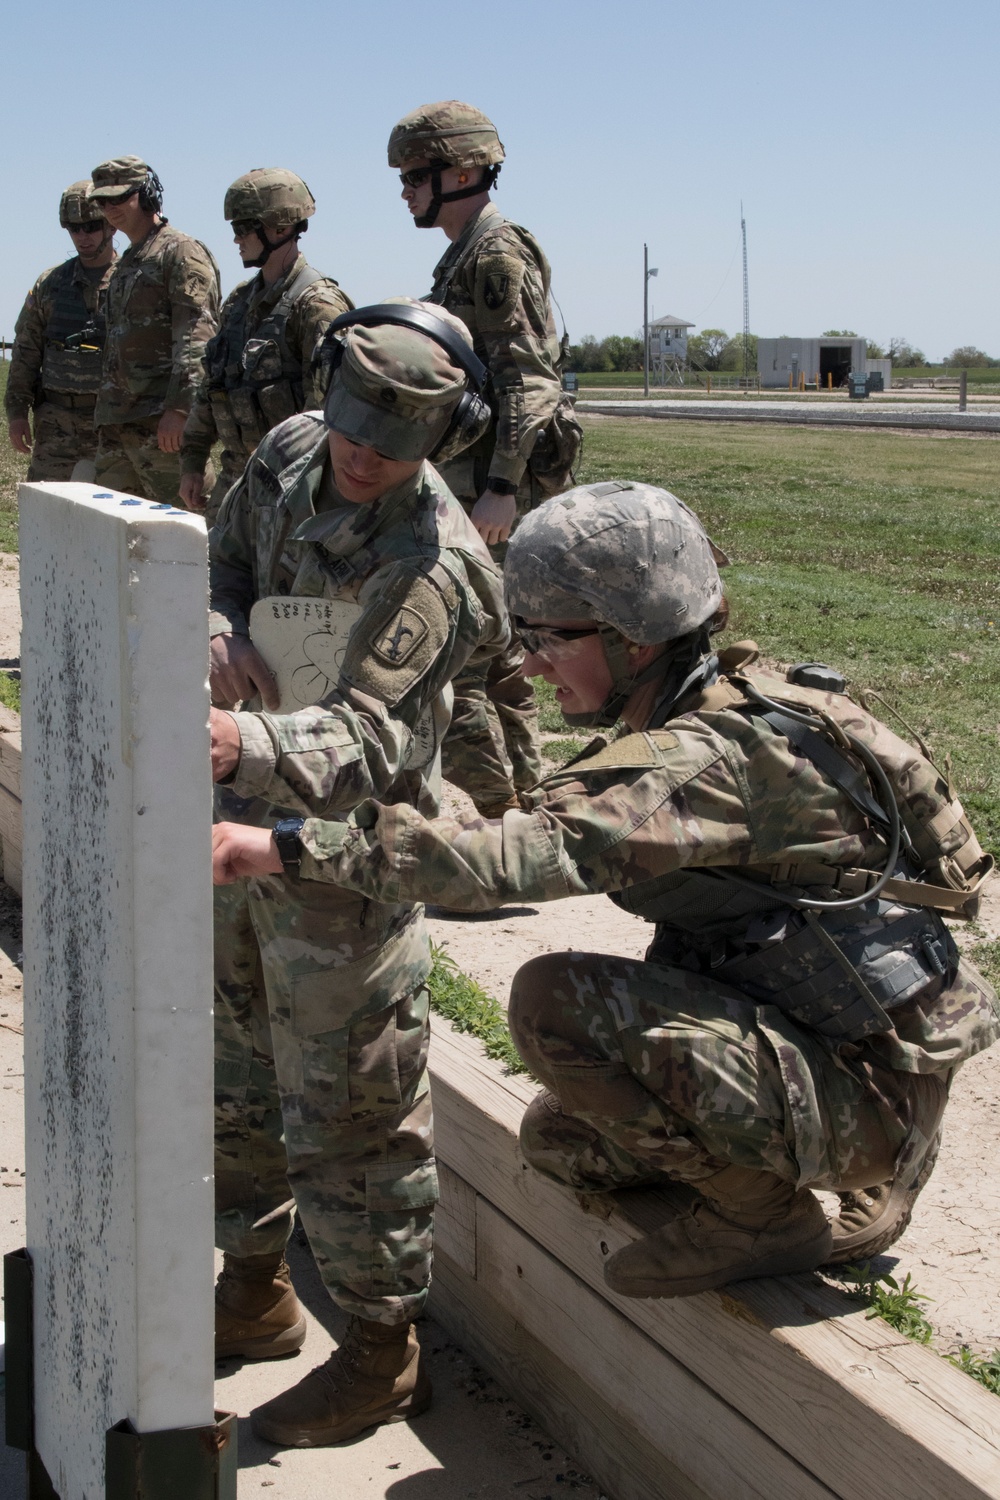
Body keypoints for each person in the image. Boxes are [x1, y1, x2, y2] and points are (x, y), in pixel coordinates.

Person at [214, 480, 1000, 1298]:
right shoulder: (767, 702)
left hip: (864, 1086)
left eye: (551, 637)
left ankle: (771, 1210)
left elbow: (506, 860)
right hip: (869, 1055)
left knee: (556, 1005)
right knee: (561, 1138)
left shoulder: (701, 766)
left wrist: (287, 846)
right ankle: (854, 1165)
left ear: (635, 639)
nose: (530, 662)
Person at [207, 301, 509, 1445]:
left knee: (351, 1112)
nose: (362, 451)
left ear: (442, 436)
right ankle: (256, 1291)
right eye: (352, 423)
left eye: (394, 439)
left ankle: (381, 1355)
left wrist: (247, 746)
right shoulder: (291, 449)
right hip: (237, 831)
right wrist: (218, 621)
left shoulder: (429, 563)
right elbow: (228, 551)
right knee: (233, 1068)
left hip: (343, 865)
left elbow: (382, 745)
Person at [387, 100, 583, 818]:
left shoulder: (494, 254)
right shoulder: (467, 251)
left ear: (462, 170)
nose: (404, 187)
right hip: (474, 487)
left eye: (416, 173)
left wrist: (501, 487)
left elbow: (528, 380)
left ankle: (493, 825)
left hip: (488, 493)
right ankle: (525, 808)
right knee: (496, 659)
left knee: (462, 657)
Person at [180, 168, 354, 526]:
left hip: (291, 489)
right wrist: (193, 463)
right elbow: (211, 389)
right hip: (234, 488)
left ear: (279, 227)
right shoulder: (238, 304)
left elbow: (330, 410)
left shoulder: (318, 305)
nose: (236, 240)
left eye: (243, 228)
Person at [88, 156, 220, 503]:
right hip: (118, 425)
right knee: (117, 537)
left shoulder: (180, 252)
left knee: (181, 535)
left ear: (146, 195)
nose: (109, 208)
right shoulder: (127, 261)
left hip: (161, 428)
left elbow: (197, 337)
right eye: (102, 201)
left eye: (118, 198)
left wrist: (179, 410)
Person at [5, 181, 116, 480]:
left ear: (111, 226)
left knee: (113, 516)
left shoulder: (132, 282)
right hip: (55, 426)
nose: (82, 236)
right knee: (48, 512)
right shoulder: (50, 284)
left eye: (91, 226)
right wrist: (17, 412)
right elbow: (26, 351)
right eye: (74, 228)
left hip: (112, 426)